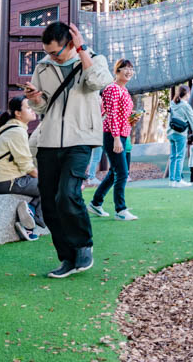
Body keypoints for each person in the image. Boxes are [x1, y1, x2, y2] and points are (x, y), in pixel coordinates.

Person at [24, 21, 112, 279]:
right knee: (49, 204)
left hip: (81, 139)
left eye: (55, 52)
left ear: (71, 44)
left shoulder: (95, 59)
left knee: (67, 194)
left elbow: (97, 83)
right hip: (48, 140)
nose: (50, 57)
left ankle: (84, 246)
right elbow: (42, 108)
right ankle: (68, 258)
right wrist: (36, 98)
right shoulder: (43, 66)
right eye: (47, 52)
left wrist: (83, 51)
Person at [0, 97, 45, 241]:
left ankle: (30, 213)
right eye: (28, 107)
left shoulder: (12, 129)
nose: (32, 109)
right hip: (9, 181)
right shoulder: (17, 132)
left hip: (2, 180)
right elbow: (26, 166)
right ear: (18, 113)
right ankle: (30, 221)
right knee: (53, 185)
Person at [88, 59, 138, 221]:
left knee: (114, 172)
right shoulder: (112, 89)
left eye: (131, 69)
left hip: (122, 134)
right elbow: (111, 115)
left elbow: (122, 115)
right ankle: (121, 210)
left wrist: (132, 120)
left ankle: (96, 203)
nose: (129, 71)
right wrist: (116, 138)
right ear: (117, 71)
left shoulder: (124, 90)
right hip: (112, 135)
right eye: (125, 68)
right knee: (122, 173)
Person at [167, 85, 193, 188]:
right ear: (187, 93)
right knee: (180, 157)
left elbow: (169, 119)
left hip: (171, 133)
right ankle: (178, 180)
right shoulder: (185, 106)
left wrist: (168, 132)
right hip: (180, 134)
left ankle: (171, 181)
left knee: (173, 157)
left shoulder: (173, 103)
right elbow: (192, 121)